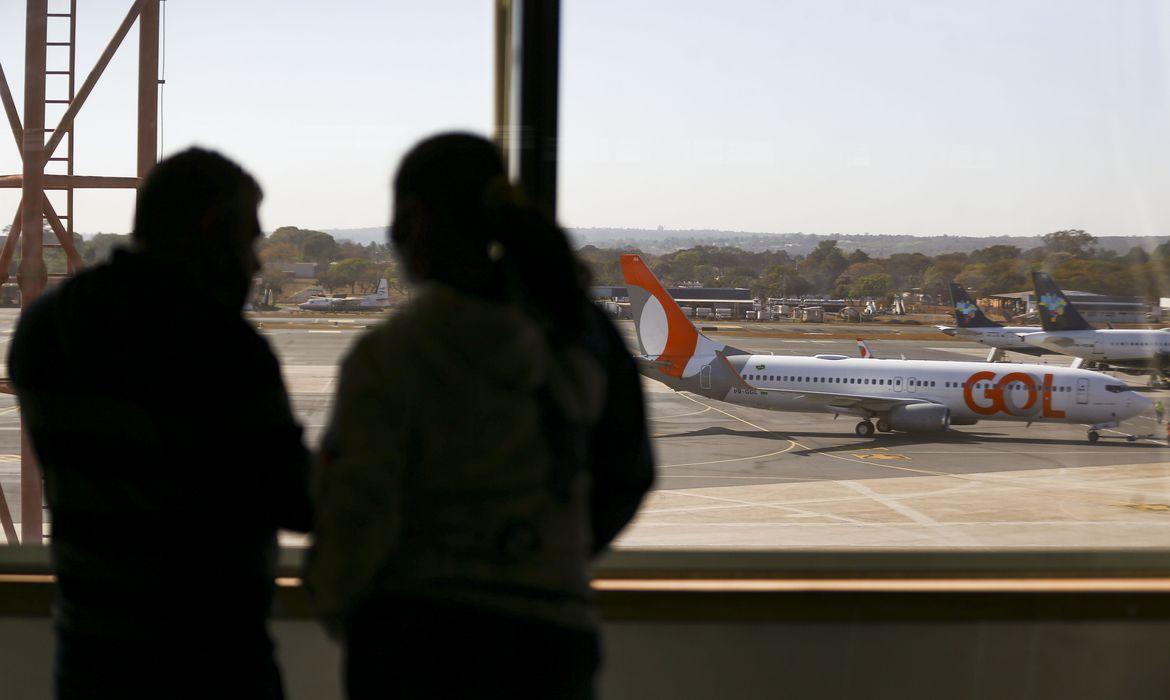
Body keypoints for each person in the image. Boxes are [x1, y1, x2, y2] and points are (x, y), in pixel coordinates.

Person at [306, 133, 654, 699]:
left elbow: (358, 514)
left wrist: (341, 604)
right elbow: (628, 473)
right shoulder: (582, 337)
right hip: (550, 645)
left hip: (415, 648)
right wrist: (538, 559)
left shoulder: (393, 355)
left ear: (413, 221)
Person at [8, 148, 312, 699]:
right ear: (210, 229)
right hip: (216, 661)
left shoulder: (45, 329)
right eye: (248, 240)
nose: (256, 263)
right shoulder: (224, 349)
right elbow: (299, 501)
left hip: (90, 655)